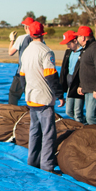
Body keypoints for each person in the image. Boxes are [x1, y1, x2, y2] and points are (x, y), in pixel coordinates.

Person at [19, 20, 64, 170]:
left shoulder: (26, 52)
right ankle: (47, 165)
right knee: (48, 133)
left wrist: (26, 90)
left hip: (31, 97)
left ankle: (32, 161)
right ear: (43, 34)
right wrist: (60, 95)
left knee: (34, 132)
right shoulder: (46, 51)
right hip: (43, 98)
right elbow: (50, 75)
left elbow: (22, 75)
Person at [75, 25, 96, 126]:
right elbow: (84, 69)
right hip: (88, 89)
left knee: (91, 116)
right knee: (90, 117)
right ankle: (95, 137)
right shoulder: (86, 49)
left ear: (83, 37)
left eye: (78, 37)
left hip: (95, 90)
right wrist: (81, 85)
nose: (77, 39)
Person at [7, 17, 35, 105]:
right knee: (32, 95)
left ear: (26, 27)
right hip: (35, 72)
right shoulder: (40, 39)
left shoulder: (22, 38)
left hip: (22, 72)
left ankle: (12, 113)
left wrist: (12, 40)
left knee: (13, 94)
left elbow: (10, 52)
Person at [59, 30, 85, 122]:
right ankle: (85, 124)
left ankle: (84, 129)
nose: (67, 46)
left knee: (77, 112)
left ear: (75, 41)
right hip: (70, 85)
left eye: (69, 43)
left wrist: (81, 84)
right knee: (69, 111)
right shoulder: (68, 52)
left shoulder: (83, 52)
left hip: (78, 85)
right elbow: (64, 70)